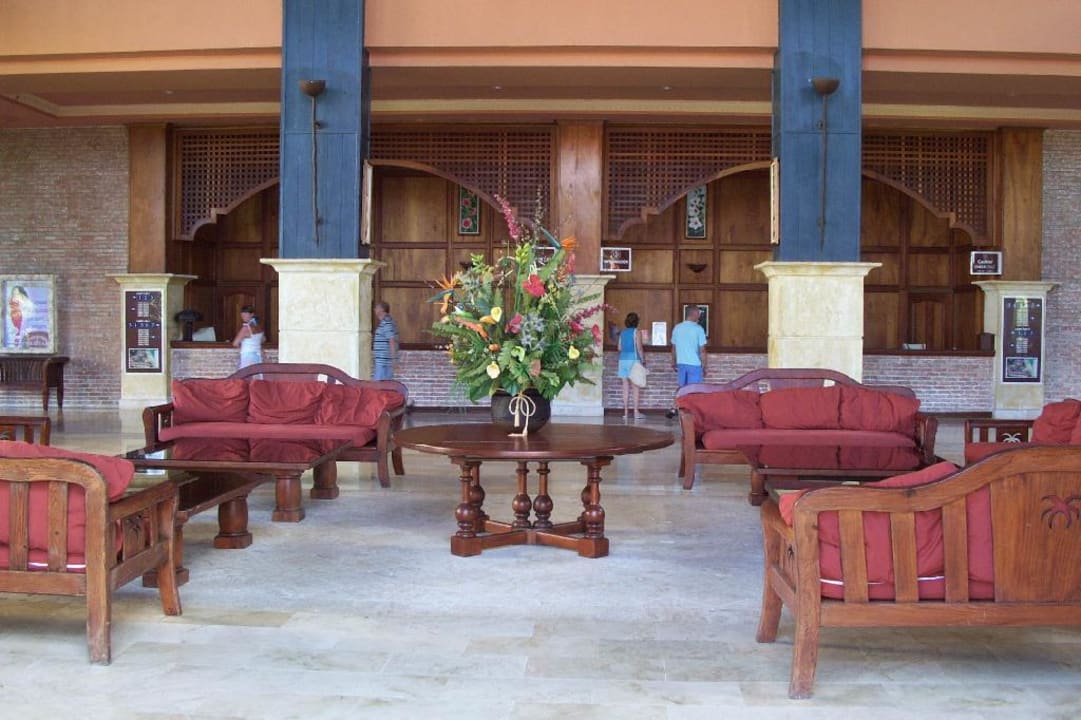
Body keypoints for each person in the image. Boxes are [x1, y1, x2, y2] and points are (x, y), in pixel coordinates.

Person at [667, 305, 707, 417]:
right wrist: (704, 366)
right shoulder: (698, 329)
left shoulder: (677, 328)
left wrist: (673, 361)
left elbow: (673, 348)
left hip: (681, 363)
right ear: (694, 314)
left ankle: (674, 408)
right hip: (694, 364)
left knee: (682, 388)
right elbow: (702, 350)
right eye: (698, 314)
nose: (699, 316)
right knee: (694, 389)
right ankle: (691, 413)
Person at [617, 312, 645, 419]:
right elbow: (639, 348)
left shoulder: (622, 332)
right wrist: (643, 360)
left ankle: (625, 412)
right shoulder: (637, 332)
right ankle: (636, 412)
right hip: (633, 360)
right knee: (635, 387)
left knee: (625, 387)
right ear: (636, 321)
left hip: (622, 360)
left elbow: (619, 348)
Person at [373, 300, 399, 380]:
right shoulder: (386, 321)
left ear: (382, 309)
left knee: (380, 385)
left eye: (376, 308)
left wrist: (393, 359)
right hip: (383, 361)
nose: (374, 310)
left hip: (384, 362)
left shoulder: (387, 323)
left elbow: (392, 340)